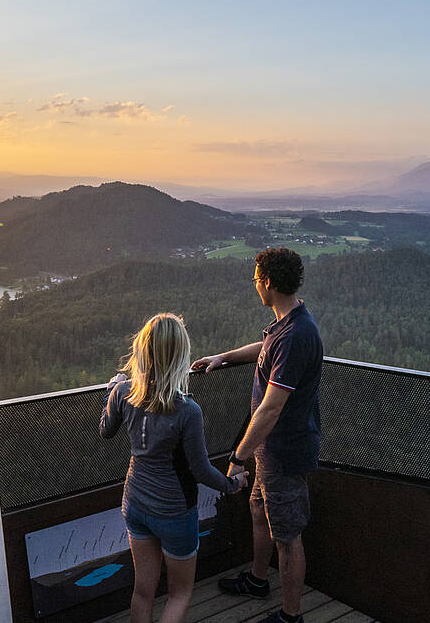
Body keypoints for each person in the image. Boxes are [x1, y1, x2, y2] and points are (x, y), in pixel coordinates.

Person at [192, 248, 322, 623]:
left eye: (255, 279)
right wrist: (224, 357)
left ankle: (290, 616)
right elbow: (265, 350)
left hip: (284, 450)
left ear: (267, 282)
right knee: (258, 508)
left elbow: (271, 407)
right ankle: (258, 579)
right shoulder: (287, 323)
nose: (254, 286)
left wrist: (237, 457)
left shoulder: (297, 334)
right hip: (271, 451)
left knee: (288, 535)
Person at [100, 313, 250, 623]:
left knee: (143, 591)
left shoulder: (123, 392)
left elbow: (105, 430)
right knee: (179, 594)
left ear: (142, 351)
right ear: (180, 355)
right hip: (174, 512)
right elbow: (200, 470)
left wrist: (112, 391)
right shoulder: (187, 410)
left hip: (136, 503)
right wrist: (232, 485)